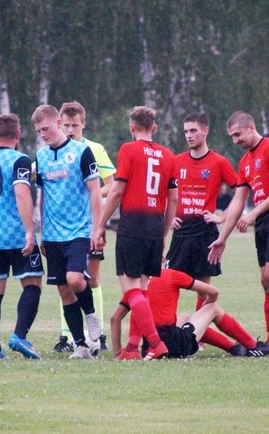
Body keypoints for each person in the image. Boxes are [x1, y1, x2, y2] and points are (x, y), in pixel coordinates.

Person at [208, 111, 269, 357]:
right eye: (231, 136)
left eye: (237, 134)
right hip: (263, 221)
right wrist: (222, 238)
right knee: (265, 281)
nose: (235, 140)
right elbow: (239, 200)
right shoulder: (244, 162)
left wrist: (253, 214)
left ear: (251, 127)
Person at [94, 106, 177, 359]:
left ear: (132, 127)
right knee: (141, 289)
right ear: (154, 128)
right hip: (155, 227)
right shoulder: (169, 156)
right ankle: (131, 348)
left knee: (130, 289)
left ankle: (156, 343)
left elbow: (117, 191)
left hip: (132, 225)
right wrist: (164, 234)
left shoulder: (128, 150)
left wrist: (100, 224)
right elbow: (173, 200)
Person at [33, 104, 103, 360]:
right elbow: (42, 196)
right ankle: (81, 345)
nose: (43, 134)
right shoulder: (41, 157)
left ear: (59, 124)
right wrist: (42, 232)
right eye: (39, 131)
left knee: (75, 279)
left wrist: (97, 227)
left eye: (46, 129)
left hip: (79, 230)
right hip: (52, 234)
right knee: (63, 290)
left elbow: (95, 190)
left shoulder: (82, 152)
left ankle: (91, 314)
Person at [0, 113, 44, 360]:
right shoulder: (20, 160)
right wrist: (29, 231)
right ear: (18, 135)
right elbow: (22, 193)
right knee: (33, 284)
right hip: (16, 234)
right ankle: (19, 336)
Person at [51, 101, 116, 352]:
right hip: (61, 229)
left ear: (83, 124)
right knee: (65, 281)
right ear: (60, 124)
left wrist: (90, 192)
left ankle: (98, 335)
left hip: (88, 224)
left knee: (92, 277)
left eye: (75, 125)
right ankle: (67, 336)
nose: (70, 130)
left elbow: (111, 184)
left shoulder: (94, 149)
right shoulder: (53, 150)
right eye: (66, 125)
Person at [110, 268, 269, 359]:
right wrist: (207, 304)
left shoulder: (137, 289)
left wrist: (118, 352)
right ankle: (253, 347)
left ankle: (234, 348)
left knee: (185, 317)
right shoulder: (170, 274)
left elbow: (115, 319)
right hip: (174, 345)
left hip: (151, 347)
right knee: (214, 309)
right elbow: (213, 291)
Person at [166, 113, 238, 311]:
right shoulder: (176, 161)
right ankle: (168, 327)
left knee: (203, 288)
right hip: (181, 232)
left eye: (193, 131)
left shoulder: (219, 162)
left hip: (204, 232)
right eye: (186, 132)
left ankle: (199, 330)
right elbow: (164, 193)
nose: (189, 135)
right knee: (170, 282)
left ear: (205, 131)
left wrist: (221, 217)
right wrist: (169, 218)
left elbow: (241, 192)